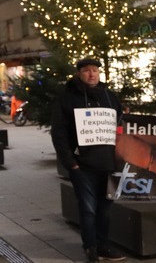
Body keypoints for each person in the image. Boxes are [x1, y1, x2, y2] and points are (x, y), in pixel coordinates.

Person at [51, 58, 125, 262]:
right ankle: (90, 247)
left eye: (95, 70)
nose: (91, 74)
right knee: (88, 208)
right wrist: (70, 162)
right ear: (78, 74)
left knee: (106, 209)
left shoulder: (110, 97)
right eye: (86, 71)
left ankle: (103, 245)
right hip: (82, 165)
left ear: (100, 73)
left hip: (108, 163)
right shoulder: (66, 99)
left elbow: (121, 126)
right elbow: (58, 132)